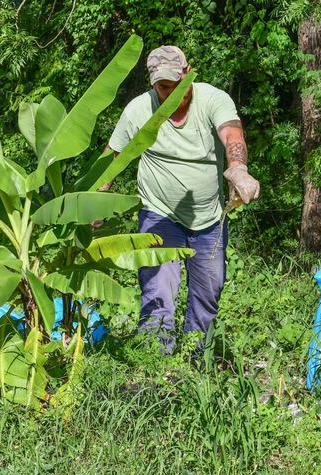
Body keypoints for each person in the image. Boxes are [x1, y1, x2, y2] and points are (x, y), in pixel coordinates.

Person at [105, 45, 260, 354]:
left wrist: (238, 169)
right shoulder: (139, 110)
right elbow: (113, 157)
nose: (172, 93)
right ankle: (155, 363)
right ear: (153, 84)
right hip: (159, 213)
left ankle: (194, 359)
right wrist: (97, 197)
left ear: (189, 74)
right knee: (158, 290)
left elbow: (232, 134)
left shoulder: (212, 99)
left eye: (178, 84)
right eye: (164, 87)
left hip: (208, 218)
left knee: (209, 290)